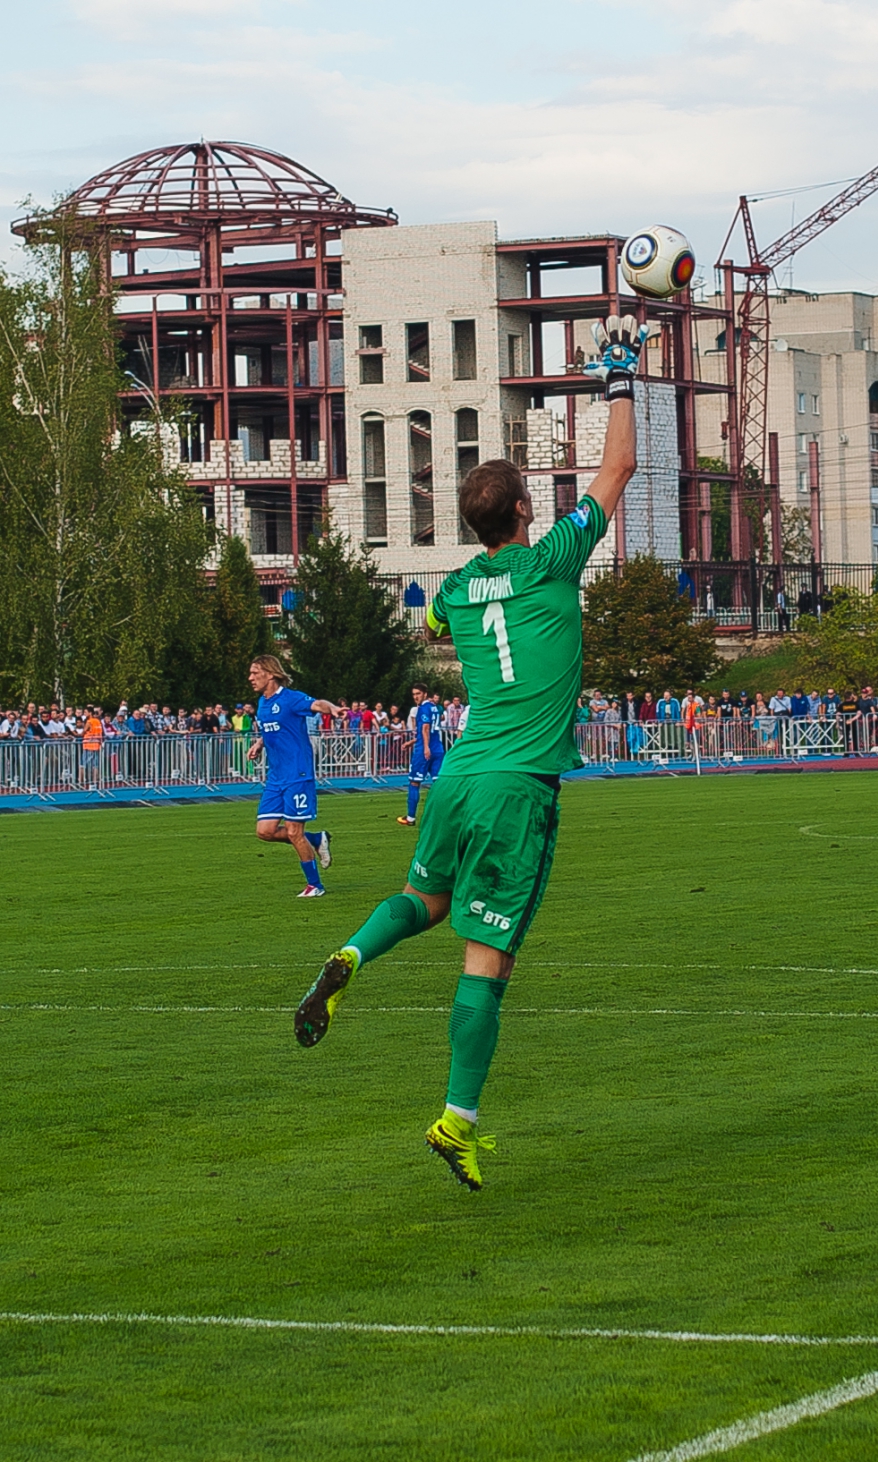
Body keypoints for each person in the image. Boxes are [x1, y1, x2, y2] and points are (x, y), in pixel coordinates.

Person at [294, 312, 644, 1190]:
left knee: (425, 897)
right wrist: (620, 376)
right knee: (488, 957)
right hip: (516, 787)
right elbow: (618, 469)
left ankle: (352, 955)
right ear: (525, 511)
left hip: (456, 773)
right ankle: (457, 1120)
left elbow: (439, 619)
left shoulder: (455, 585)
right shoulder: (554, 558)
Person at [246, 653, 343, 897]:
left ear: (270, 674)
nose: (250, 678)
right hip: (276, 777)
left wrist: (332, 708)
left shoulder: (291, 698)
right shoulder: (262, 703)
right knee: (264, 831)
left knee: (293, 831)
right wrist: (259, 744)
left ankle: (315, 885)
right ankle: (317, 838)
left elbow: (317, 704)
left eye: (255, 673)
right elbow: (274, 729)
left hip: (297, 774)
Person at [397, 683, 445, 827]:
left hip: (425, 752)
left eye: (418, 693)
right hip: (438, 749)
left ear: (425, 694)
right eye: (414, 694)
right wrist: (411, 742)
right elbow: (429, 731)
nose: (415, 697)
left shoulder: (423, 709)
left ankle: (410, 818)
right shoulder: (435, 708)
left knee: (414, 782)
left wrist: (425, 748)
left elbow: (425, 728)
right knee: (439, 784)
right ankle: (443, 816)